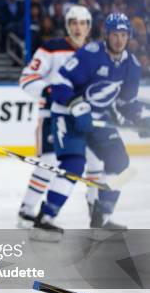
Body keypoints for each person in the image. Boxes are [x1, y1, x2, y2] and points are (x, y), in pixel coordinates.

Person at [32, 13, 150, 239]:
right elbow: (60, 84)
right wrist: (76, 105)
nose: (119, 39)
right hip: (67, 114)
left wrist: (140, 119)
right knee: (74, 164)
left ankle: (101, 217)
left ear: (129, 37)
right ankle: (44, 219)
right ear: (106, 34)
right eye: (115, 34)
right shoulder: (90, 55)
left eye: (124, 35)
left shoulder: (132, 66)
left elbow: (125, 105)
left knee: (119, 162)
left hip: (97, 118)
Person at [17, 5, 104, 228]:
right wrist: (50, 92)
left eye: (83, 23)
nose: (78, 27)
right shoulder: (52, 48)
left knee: (96, 163)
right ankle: (27, 210)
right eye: (73, 22)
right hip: (53, 115)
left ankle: (96, 210)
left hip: (85, 119)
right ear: (67, 25)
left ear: (89, 26)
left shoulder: (96, 53)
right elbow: (27, 79)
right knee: (48, 162)